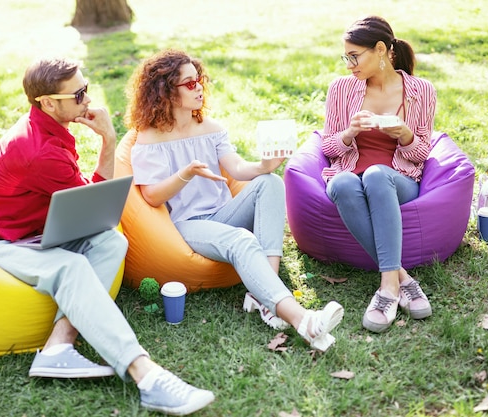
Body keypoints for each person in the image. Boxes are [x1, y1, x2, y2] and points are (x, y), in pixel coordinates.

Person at [0, 57, 214, 416]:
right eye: (77, 95)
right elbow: (96, 200)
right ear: (47, 103)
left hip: (32, 229)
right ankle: (147, 376)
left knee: (112, 241)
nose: (87, 101)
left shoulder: (47, 131)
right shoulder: (42, 152)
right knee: (72, 267)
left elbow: (90, 208)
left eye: (86, 89)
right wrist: (108, 140)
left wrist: (107, 136)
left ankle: (58, 346)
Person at [124, 49, 344, 352]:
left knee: (270, 183)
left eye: (199, 79)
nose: (199, 87)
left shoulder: (210, 129)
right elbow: (150, 195)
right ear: (166, 93)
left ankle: (261, 298)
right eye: (189, 84)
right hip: (187, 226)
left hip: (223, 212)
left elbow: (238, 169)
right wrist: (186, 173)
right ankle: (302, 319)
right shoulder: (149, 138)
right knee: (242, 240)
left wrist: (265, 166)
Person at [321, 16, 436, 333]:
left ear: (381, 50)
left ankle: (387, 290)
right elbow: (329, 146)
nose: (348, 65)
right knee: (343, 182)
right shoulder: (341, 89)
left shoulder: (420, 90)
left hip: (398, 179)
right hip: (350, 173)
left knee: (376, 175)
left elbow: (423, 152)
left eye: (354, 56)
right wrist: (349, 133)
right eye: (346, 57)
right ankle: (402, 280)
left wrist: (405, 135)